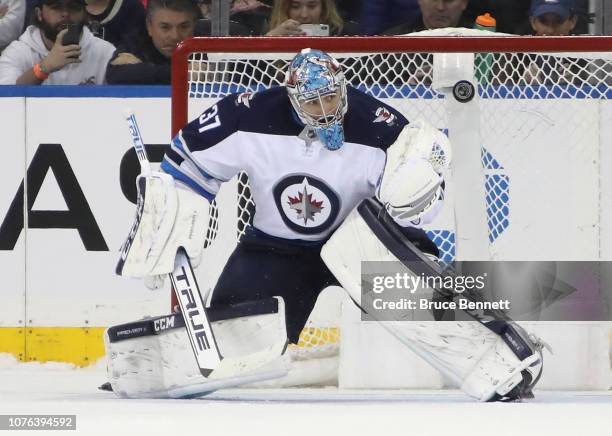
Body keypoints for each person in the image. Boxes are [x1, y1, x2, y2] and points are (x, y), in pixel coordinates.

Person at [115, 48, 546, 401]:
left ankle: (503, 358)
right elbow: (186, 166)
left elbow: (419, 212)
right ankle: (148, 369)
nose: (325, 110)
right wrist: (171, 211)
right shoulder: (246, 116)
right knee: (234, 336)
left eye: (332, 98)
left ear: (343, 88)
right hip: (276, 247)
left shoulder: (381, 126)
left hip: (363, 239)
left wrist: (418, 199)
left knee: (423, 306)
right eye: (312, 102)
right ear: (290, 97)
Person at [0, 0, 115, 85]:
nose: (65, 13)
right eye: (56, 7)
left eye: (73, 6)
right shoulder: (17, 53)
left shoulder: (106, 52)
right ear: (39, 14)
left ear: (84, 13)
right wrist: (43, 68)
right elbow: (7, 101)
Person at [105, 0, 198, 84]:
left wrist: (142, 69)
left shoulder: (203, 42)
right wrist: (181, 72)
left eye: (184, 27)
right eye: (165, 27)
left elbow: (210, 71)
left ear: (194, 25)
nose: (175, 36)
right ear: (149, 26)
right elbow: (114, 74)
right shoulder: (136, 41)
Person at [266, 0, 358, 36]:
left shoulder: (345, 33)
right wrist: (269, 41)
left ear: (324, 7)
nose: (304, 15)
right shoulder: (271, 30)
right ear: (284, 8)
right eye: (295, 6)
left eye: (312, 6)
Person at [383, 0, 472, 34]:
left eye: (449, 0)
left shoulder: (480, 40)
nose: (440, 7)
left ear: (464, 3)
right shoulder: (391, 40)